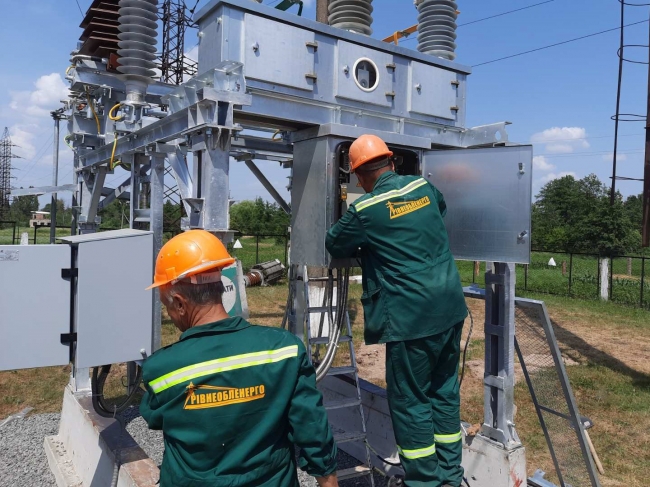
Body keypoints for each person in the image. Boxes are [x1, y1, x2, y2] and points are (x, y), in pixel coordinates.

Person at [140, 230, 339, 487]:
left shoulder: (161, 370)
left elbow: (154, 416)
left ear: (179, 303)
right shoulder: (285, 350)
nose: (170, 314)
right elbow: (311, 427)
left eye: (167, 306)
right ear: (220, 289)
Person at [325, 135, 468, 487]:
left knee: (410, 401)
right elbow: (438, 212)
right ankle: (450, 477)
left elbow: (334, 242)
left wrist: (372, 245)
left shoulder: (365, 209)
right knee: (444, 392)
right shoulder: (423, 186)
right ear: (391, 162)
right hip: (449, 308)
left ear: (359, 175)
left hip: (411, 319)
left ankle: (424, 482)